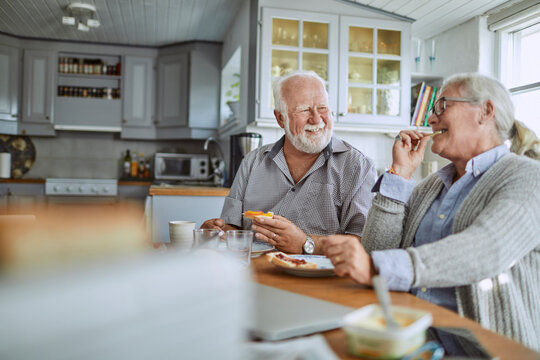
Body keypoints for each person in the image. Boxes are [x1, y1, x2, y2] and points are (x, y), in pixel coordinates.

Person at [322, 73, 540, 350]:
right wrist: (399, 173)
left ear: (485, 111)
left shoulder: (530, 178)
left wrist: (378, 268)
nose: (431, 120)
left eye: (442, 107)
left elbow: (487, 249)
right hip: (413, 341)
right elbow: (377, 249)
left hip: (485, 352)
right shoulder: (430, 187)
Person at [201, 70, 377, 254]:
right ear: (280, 118)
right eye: (304, 109)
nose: (316, 119)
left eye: (323, 108)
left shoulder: (358, 166)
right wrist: (219, 232)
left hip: (323, 280)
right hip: (256, 273)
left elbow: (365, 244)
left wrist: (306, 243)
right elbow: (233, 229)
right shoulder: (252, 162)